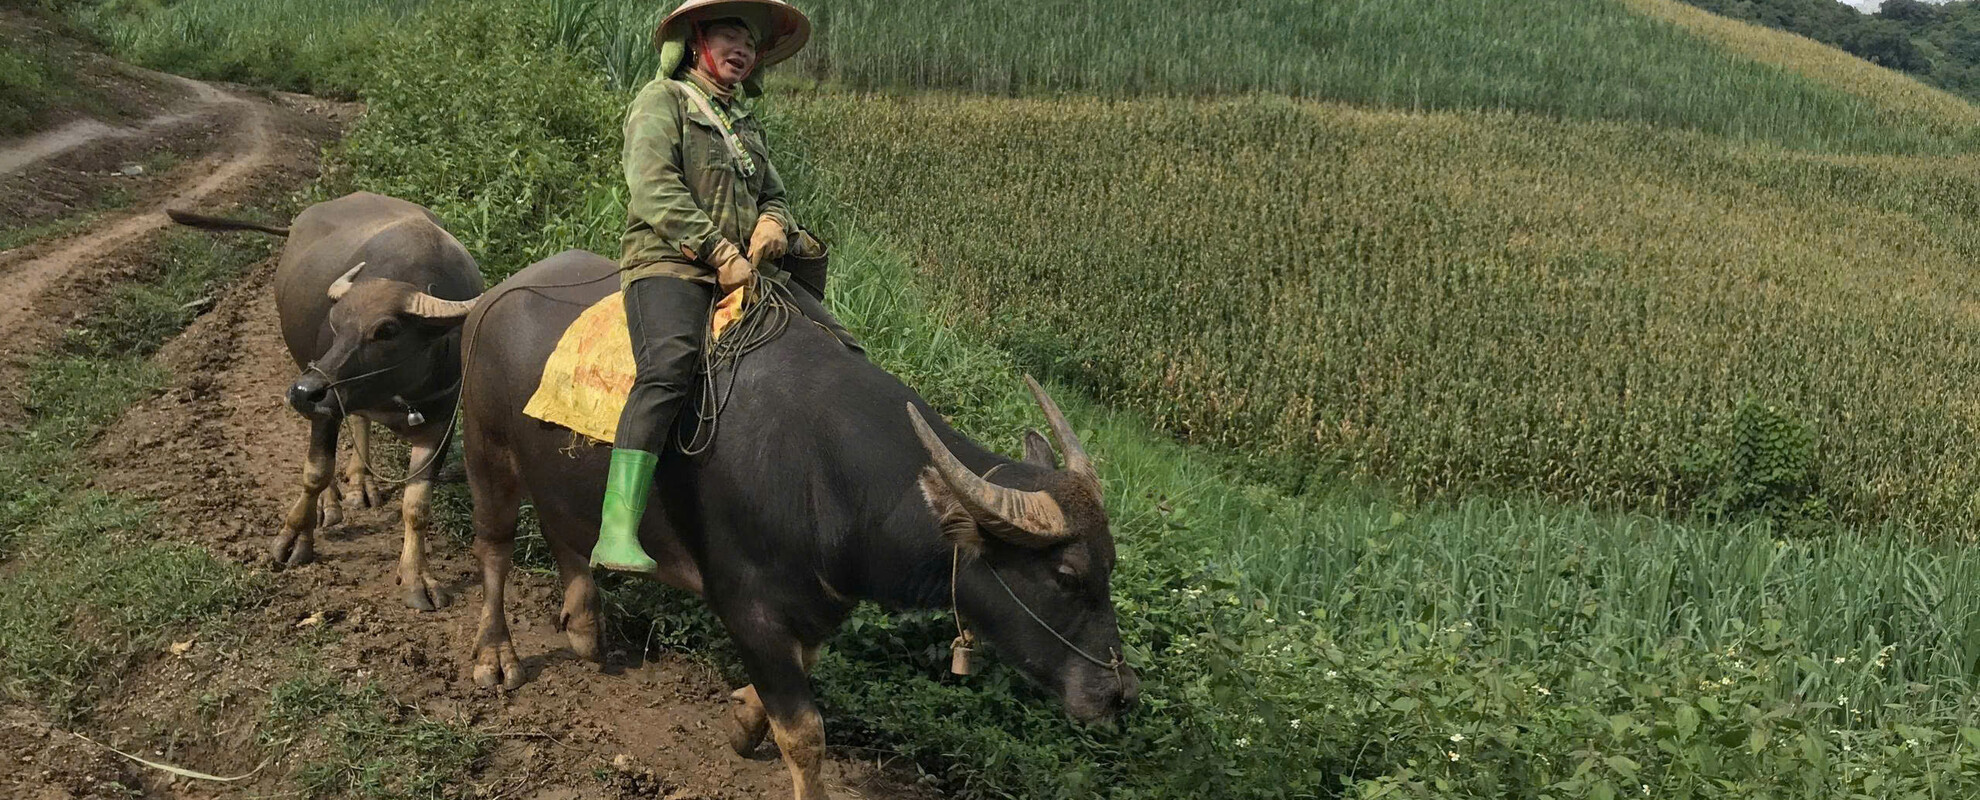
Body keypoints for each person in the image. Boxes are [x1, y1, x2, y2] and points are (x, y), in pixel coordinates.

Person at [593, 0, 854, 573]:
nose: (742, 49)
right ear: (695, 42)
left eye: (750, 42)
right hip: (671, 265)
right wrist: (716, 252)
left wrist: (771, 223)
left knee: (839, 345)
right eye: (729, 34)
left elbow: (775, 195)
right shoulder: (661, 102)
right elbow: (653, 188)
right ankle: (616, 529)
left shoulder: (744, 122)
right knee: (668, 368)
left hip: (748, 268)